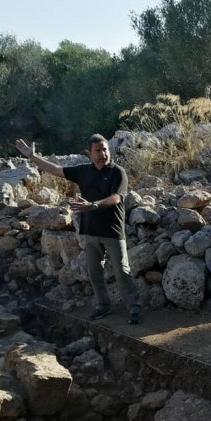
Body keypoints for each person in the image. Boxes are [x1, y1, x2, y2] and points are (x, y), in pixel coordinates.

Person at [15, 134, 143, 325]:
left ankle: (134, 308)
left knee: (122, 271)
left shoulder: (118, 172)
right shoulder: (84, 171)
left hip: (113, 230)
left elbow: (117, 198)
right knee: (94, 272)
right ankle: (103, 305)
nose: (103, 154)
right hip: (90, 231)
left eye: (105, 149)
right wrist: (33, 157)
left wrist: (93, 206)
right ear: (90, 153)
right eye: (98, 150)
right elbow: (57, 170)